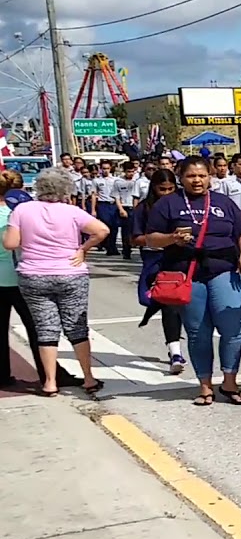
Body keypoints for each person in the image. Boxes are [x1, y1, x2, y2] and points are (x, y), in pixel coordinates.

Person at [145, 157, 241, 407]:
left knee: (232, 328)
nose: (197, 180)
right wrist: (172, 238)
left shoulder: (223, 202)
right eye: (191, 176)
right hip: (186, 274)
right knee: (198, 333)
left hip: (224, 269)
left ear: (210, 177)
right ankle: (205, 386)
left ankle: (230, 381)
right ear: (181, 178)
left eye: (202, 176)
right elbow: (151, 239)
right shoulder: (168, 205)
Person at [2, 167, 109, 396]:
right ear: (66, 189)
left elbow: (10, 243)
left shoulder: (22, 210)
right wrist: (82, 250)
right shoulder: (72, 211)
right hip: (70, 272)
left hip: (34, 274)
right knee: (76, 326)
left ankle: (50, 382)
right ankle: (88, 378)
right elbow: (102, 230)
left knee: (45, 328)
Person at [0, 170, 81, 389]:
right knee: (39, 329)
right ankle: (50, 375)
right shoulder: (19, 213)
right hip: (21, 277)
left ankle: (2, 375)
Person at [131, 169, 186, 374]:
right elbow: (134, 238)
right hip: (155, 260)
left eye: (171, 189)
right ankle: (175, 351)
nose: (167, 193)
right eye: (162, 189)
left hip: (183, 258)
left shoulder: (183, 205)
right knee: (168, 305)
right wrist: (164, 238)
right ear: (154, 188)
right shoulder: (144, 209)